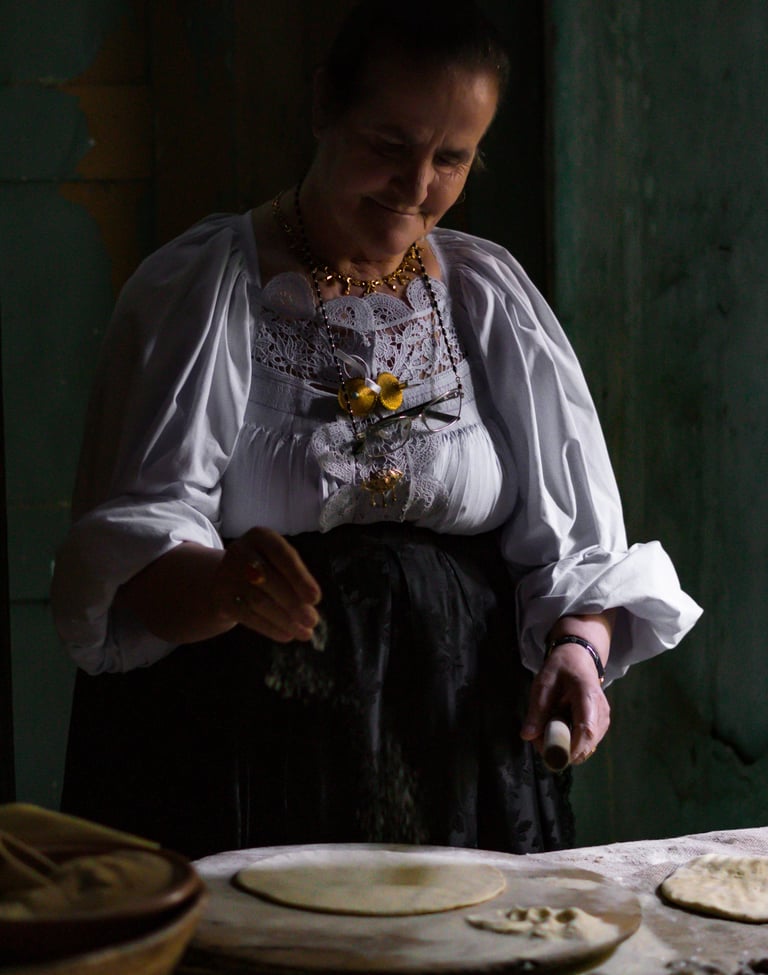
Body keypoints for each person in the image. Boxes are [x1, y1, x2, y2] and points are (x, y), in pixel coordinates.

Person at [51, 1, 702, 861]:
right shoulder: (204, 293)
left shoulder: (488, 297)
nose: (418, 184)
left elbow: (576, 550)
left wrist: (580, 649)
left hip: (458, 761)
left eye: (452, 157)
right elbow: (128, 561)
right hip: (252, 756)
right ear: (326, 106)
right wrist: (224, 585)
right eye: (390, 145)